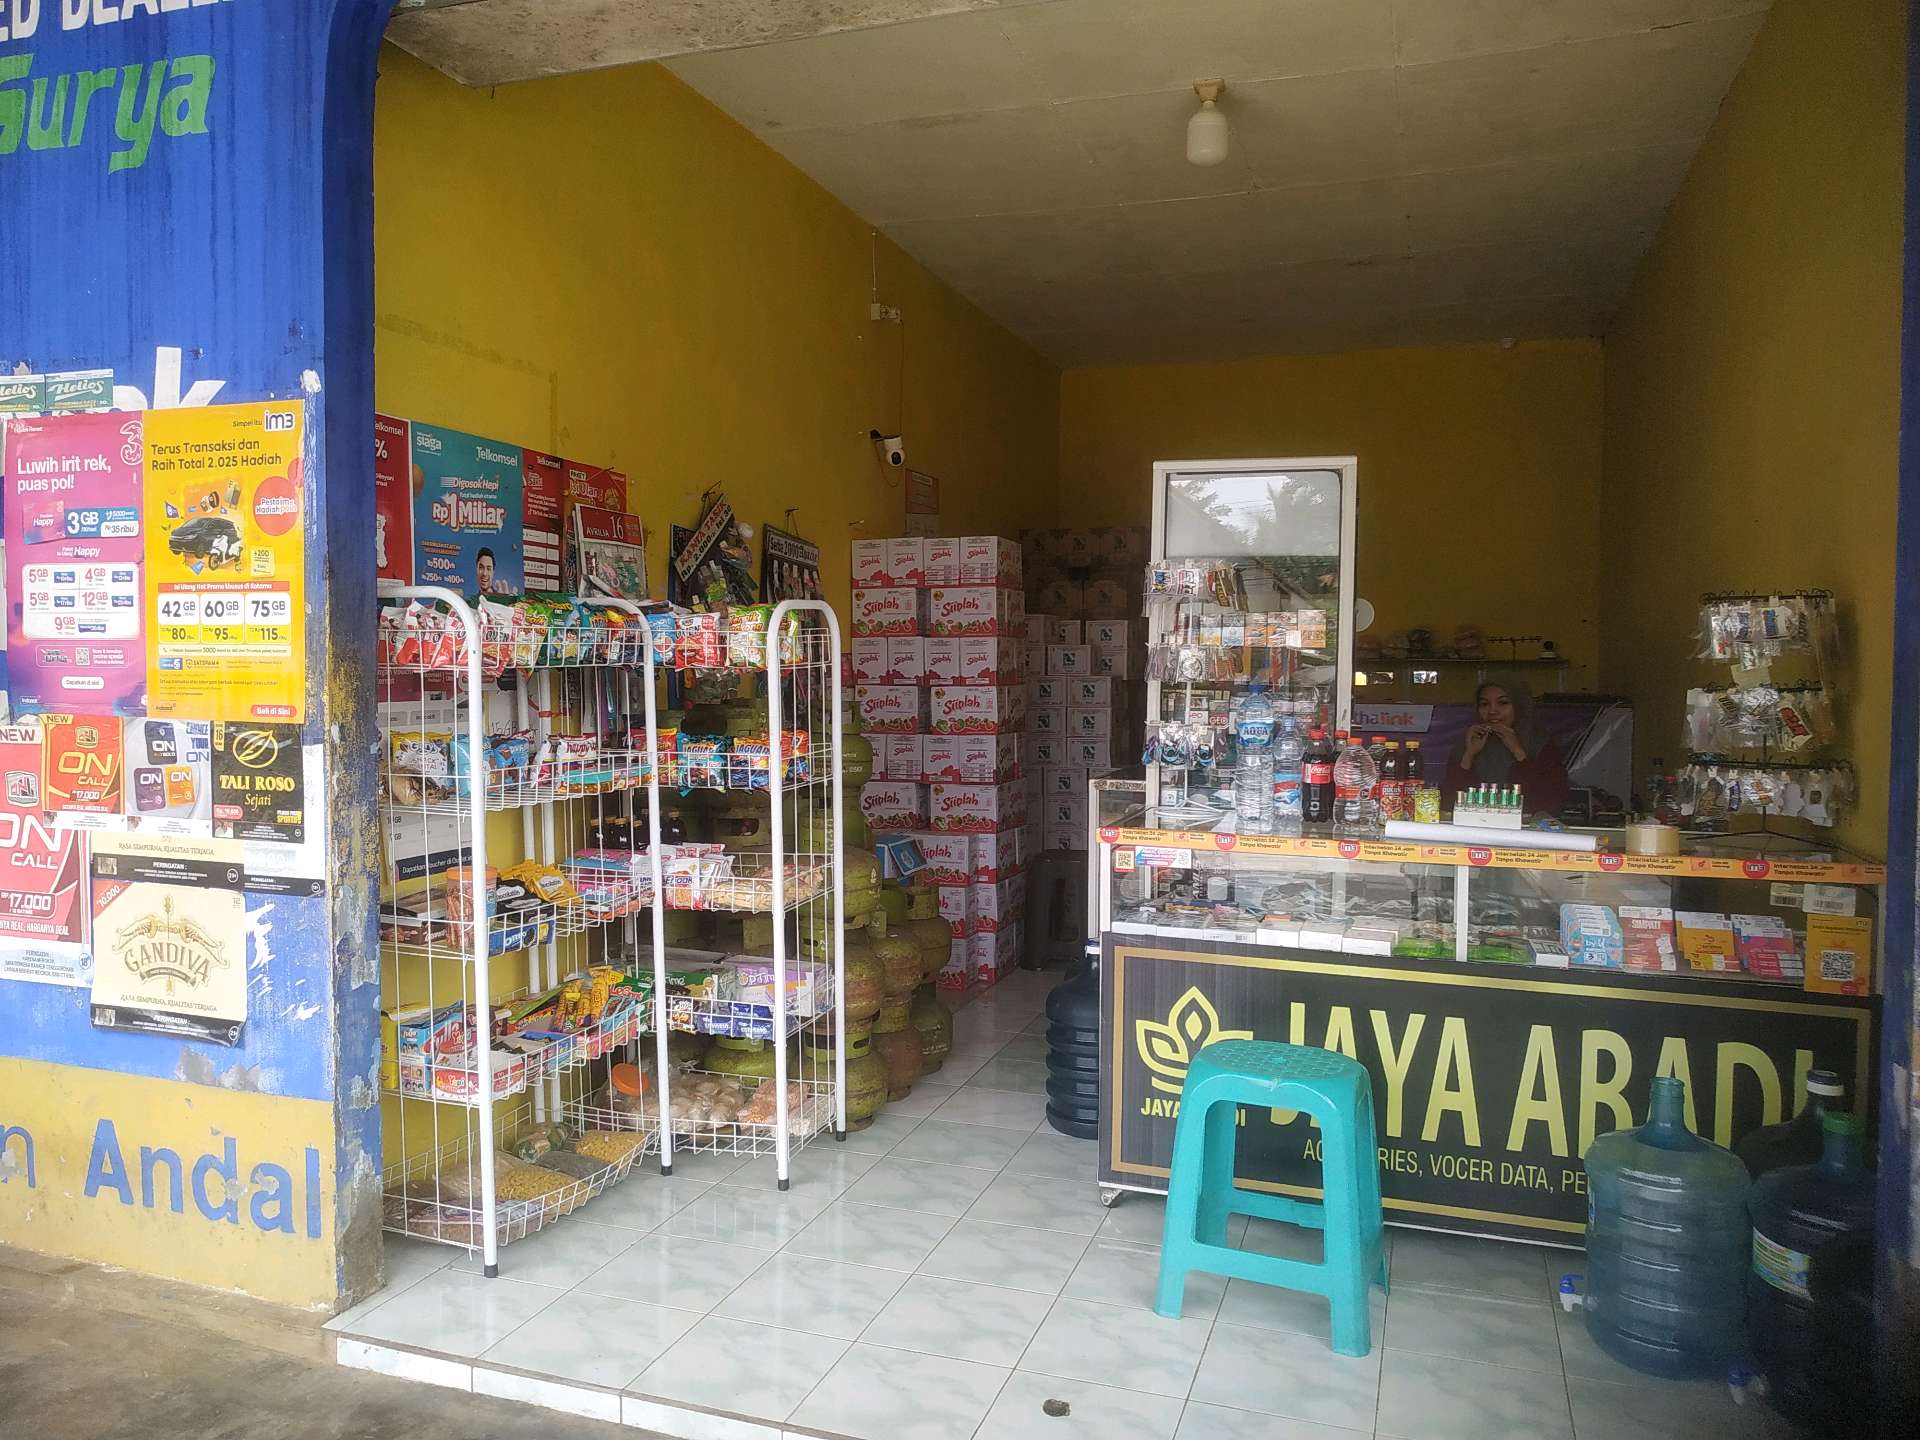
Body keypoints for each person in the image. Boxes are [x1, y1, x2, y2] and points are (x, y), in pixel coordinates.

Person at [1441, 677, 1569, 817]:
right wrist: (1468, 755)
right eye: (1484, 704)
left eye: (1503, 703)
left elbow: (1552, 803)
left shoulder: (1540, 745)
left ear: (1519, 706)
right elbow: (1447, 804)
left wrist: (1518, 751)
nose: (1492, 711)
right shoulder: (1467, 745)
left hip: (1526, 829)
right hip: (1473, 827)